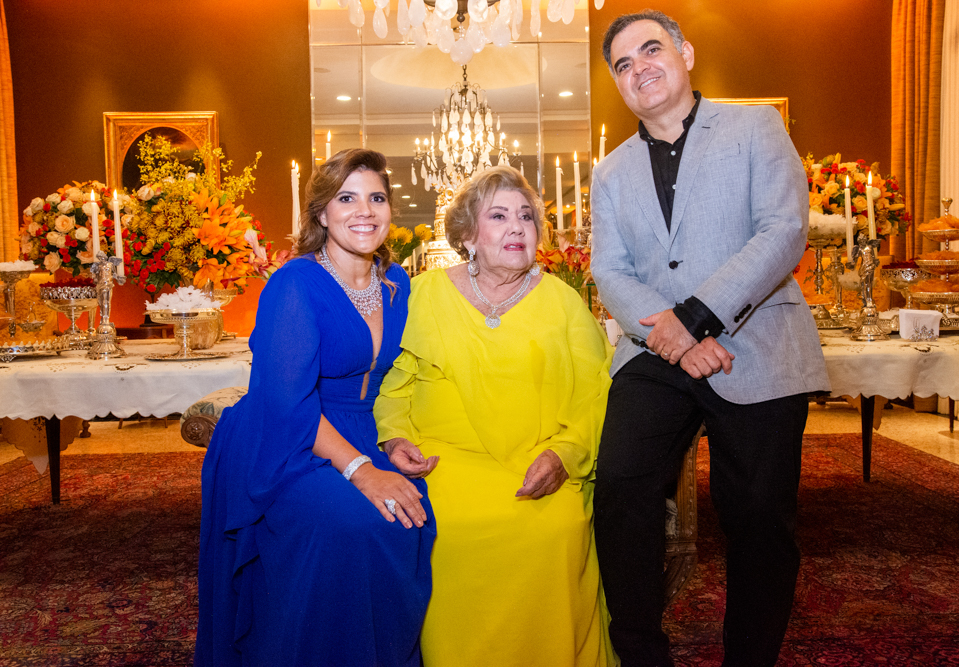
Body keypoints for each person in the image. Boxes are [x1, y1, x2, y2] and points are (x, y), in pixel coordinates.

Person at [590, 11, 830, 667]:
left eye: (651, 50)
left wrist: (696, 316)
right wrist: (675, 336)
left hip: (757, 339)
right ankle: (641, 654)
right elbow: (609, 270)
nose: (639, 68)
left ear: (686, 54)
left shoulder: (755, 127)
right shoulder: (610, 172)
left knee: (758, 515)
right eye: (623, 64)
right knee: (619, 487)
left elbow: (783, 231)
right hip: (654, 350)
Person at [196, 149, 436, 667]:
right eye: (346, 198)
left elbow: (398, 379)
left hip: (363, 430)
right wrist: (362, 470)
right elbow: (288, 402)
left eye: (376, 198)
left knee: (415, 514)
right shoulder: (294, 283)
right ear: (322, 213)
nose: (364, 211)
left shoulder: (397, 284)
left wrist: (393, 439)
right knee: (355, 523)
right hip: (287, 435)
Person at [374, 166, 616, 667]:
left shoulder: (562, 301)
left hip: (539, 459)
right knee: (447, 525)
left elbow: (596, 392)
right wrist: (395, 439)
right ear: (467, 235)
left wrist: (565, 454)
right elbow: (393, 384)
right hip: (445, 462)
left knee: (556, 528)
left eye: (526, 217)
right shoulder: (424, 294)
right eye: (499, 216)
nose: (517, 227)